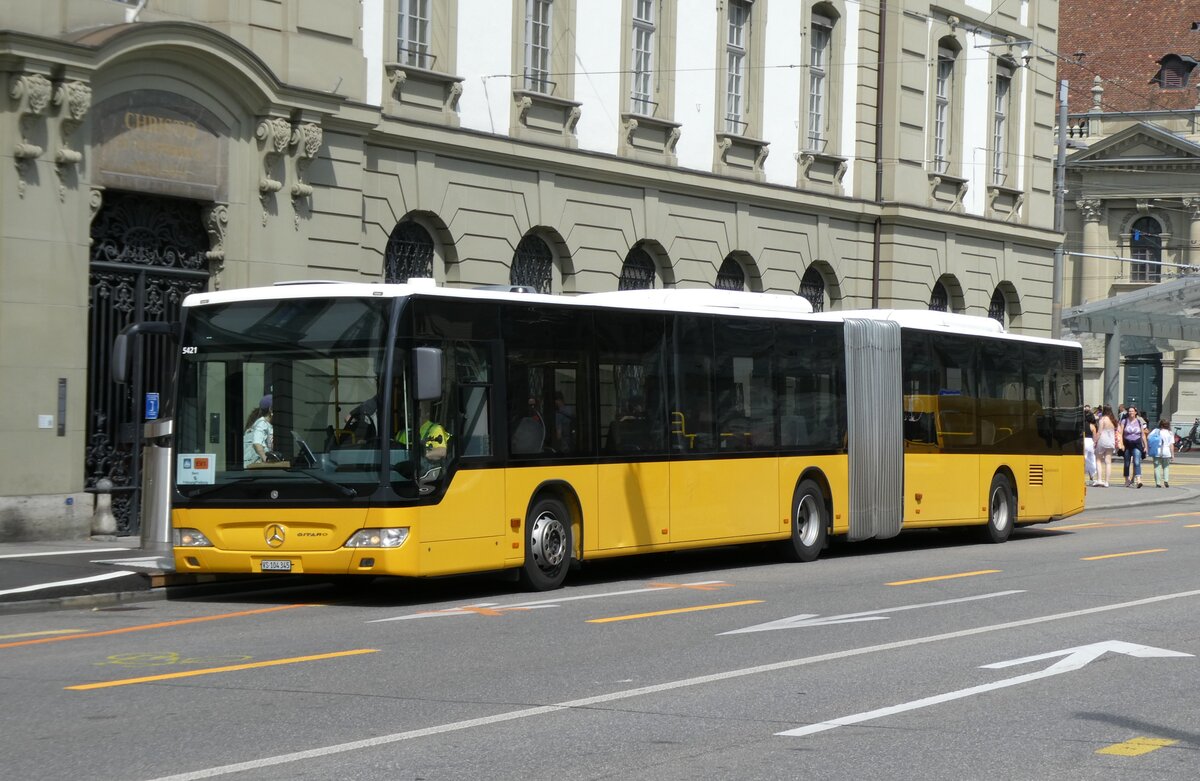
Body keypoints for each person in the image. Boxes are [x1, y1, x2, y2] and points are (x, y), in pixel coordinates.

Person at [1118, 405, 1148, 488]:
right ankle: (1127, 480)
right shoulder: (1124, 421)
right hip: (1127, 444)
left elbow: (1142, 434)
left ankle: (1138, 480)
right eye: (1129, 411)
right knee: (1127, 463)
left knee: (1137, 462)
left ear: (1135, 412)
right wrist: (1121, 444)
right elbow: (1120, 433)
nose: (1131, 412)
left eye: (1132, 411)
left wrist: (1145, 446)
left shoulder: (1139, 422)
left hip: (1137, 444)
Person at [242, 394, 274, 465]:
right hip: (253, 466)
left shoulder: (269, 425)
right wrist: (265, 459)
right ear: (270, 410)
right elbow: (257, 443)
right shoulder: (262, 423)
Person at [1093, 405, 1117, 488]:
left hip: (1103, 440)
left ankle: (1099, 479)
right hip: (1111, 441)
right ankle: (1107, 482)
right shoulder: (1113, 420)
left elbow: (1099, 432)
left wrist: (1095, 441)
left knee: (1098, 459)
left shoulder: (1103, 419)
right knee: (1108, 461)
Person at [1152, 418, 1174, 488]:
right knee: (1166, 467)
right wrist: (1172, 455)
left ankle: (1158, 483)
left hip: (1157, 451)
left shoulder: (1156, 431)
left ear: (1160, 424)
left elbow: (1149, 438)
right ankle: (1166, 480)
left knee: (1157, 467)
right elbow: (1171, 445)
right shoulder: (1170, 433)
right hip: (1166, 451)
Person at [1083, 404, 1097, 485]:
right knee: (1091, 459)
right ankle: (1091, 476)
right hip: (1090, 442)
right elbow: (1094, 437)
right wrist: (1095, 444)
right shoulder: (1092, 426)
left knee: (1083, 460)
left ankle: (1082, 477)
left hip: (1083, 441)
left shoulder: (1081, 425)